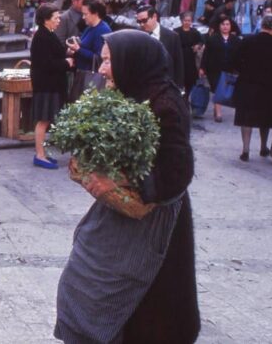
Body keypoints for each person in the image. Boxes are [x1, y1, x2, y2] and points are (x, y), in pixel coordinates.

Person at [54, 30, 200, 344]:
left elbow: (177, 173)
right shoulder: (130, 92)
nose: (102, 69)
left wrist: (120, 180)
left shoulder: (166, 104)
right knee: (84, 279)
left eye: (109, 61)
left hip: (152, 222)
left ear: (132, 61)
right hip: (119, 216)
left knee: (140, 302)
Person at [232, 14, 272, 162]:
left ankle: (245, 150)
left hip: (247, 83)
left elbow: (235, 60)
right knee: (265, 118)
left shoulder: (248, 41)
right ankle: (263, 147)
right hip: (267, 86)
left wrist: (243, 70)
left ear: (262, 25)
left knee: (246, 118)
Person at [30, 4, 73, 169]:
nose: (58, 20)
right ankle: (40, 155)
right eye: (55, 18)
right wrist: (66, 63)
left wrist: (67, 54)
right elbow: (46, 64)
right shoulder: (42, 37)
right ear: (46, 20)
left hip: (51, 84)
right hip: (45, 85)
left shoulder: (49, 34)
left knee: (46, 119)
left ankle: (41, 152)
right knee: (43, 120)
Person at [199, 15, 241, 123]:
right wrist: (202, 68)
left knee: (225, 90)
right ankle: (218, 113)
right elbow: (206, 55)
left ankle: (217, 107)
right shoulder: (212, 39)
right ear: (219, 26)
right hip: (214, 68)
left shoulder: (236, 40)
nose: (225, 27)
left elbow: (240, 56)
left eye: (227, 24)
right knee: (218, 88)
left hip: (230, 69)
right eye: (223, 24)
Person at [135, 4, 185, 89]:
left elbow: (178, 64)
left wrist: (179, 87)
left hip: (165, 86)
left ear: (154, 17)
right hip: (143, 86)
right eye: (139, 22)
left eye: (144, 20)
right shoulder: (136, 36)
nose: (141, 24)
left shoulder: (172, 37)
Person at [66, 0, 111, 71]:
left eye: (85, 14)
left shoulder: (103, 30)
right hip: (82, 72)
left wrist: (78, 49)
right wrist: (74, 48)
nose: (83, 17)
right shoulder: (90, 27)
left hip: (92, 75)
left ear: (95, 13)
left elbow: (99, 58)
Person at [176, 11, 204, 98]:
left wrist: (198, 46)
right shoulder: (176, 31)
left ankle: (187, 96)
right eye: (185, 20)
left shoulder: (194, 32)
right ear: (182, 21)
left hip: (191, 57)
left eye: (189, 21)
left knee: (190, 79)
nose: (187, 22)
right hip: (179, 56)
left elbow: (201, 41)